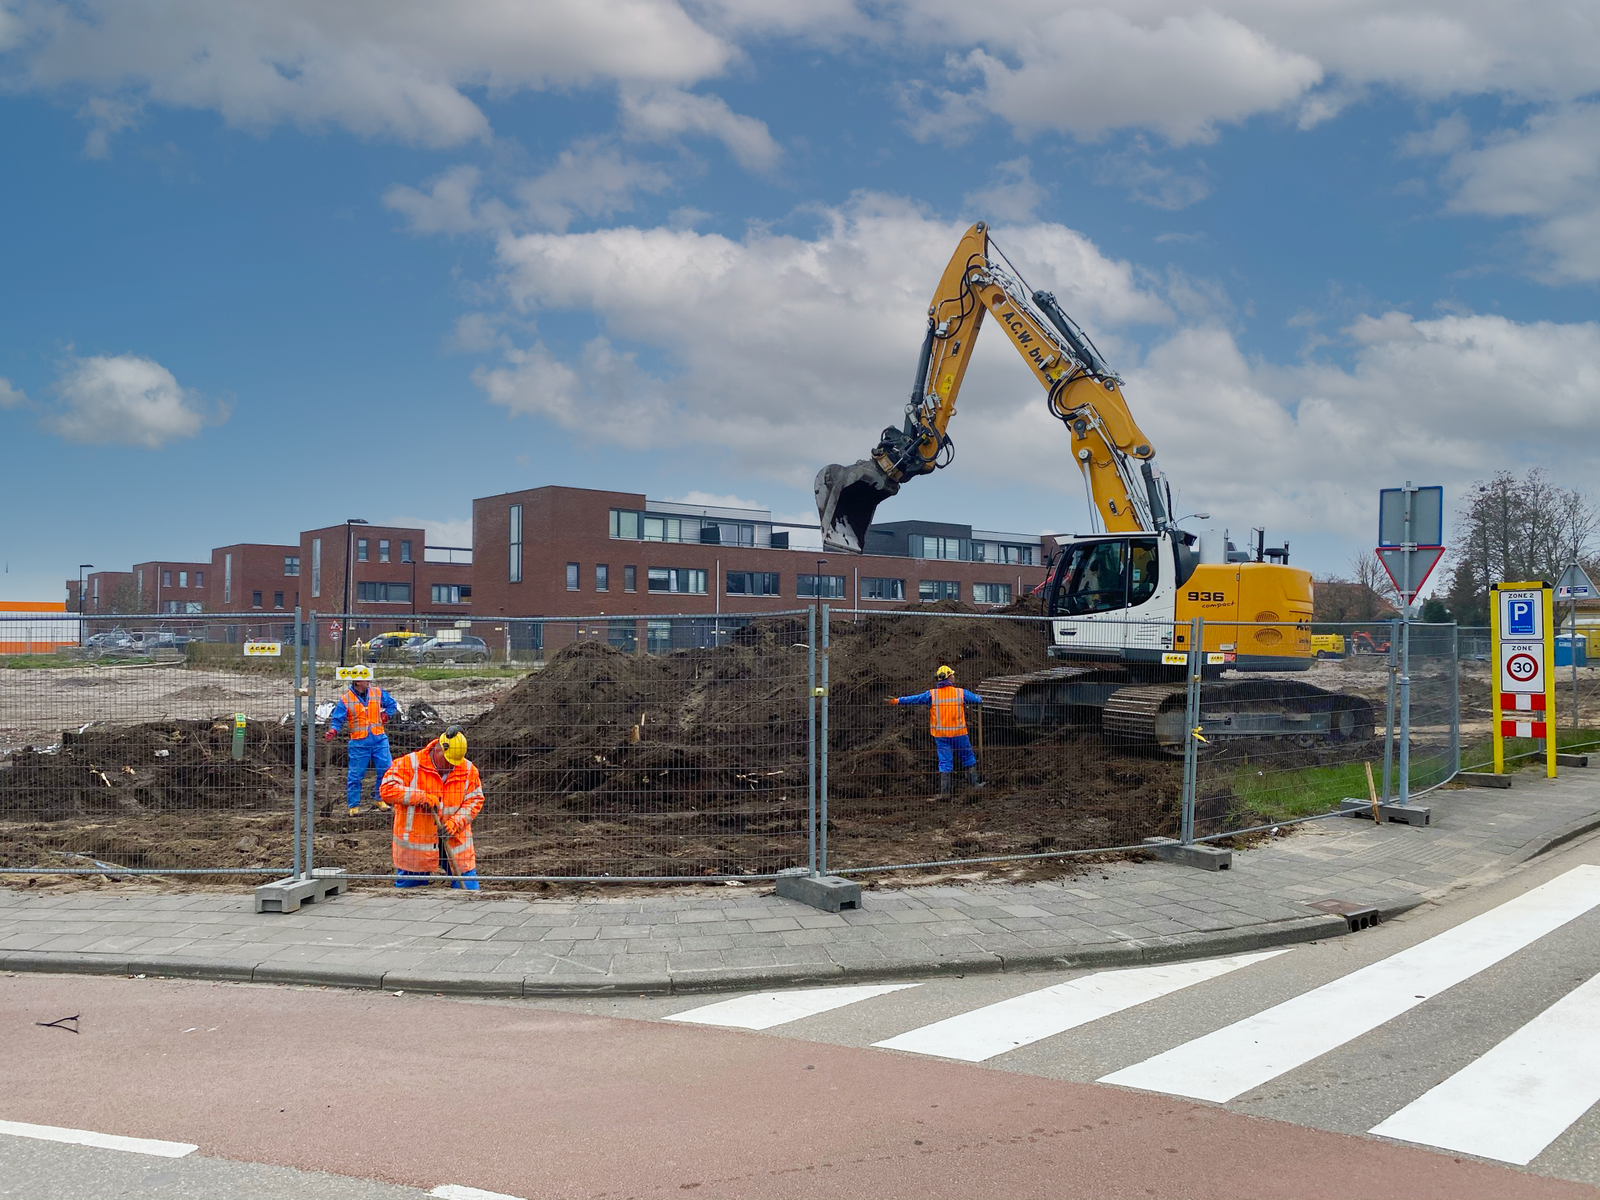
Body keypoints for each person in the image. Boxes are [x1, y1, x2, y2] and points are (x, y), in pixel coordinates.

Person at [379, 725, 484, 890]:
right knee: (409, 894)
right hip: (418, 844)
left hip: (453, 840)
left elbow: (474, 800)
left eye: (455, 762)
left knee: (468, 891)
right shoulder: (410, 764)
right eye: (449, 761)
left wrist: (454, 825)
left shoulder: (468, 770)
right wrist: (420, 797)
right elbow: (387, 789)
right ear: (438, 749)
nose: (452, 766)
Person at [887, 664, 984, 796]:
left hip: (941, 736)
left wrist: (896, 701)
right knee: (968, 757)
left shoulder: (932, 695)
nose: (954, 677)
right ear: (949, 678)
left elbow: (914, 699)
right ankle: (975, 785)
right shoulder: (960, 693)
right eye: (952, 675)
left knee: (945, 762)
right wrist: (980, 698)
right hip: (959, 734)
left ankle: (945, 793)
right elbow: (977, 700)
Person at [324, 676, 401, 814]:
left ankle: (380, 798)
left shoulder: (377, 693)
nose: (369, 681)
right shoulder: (346, 699)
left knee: (386, 768)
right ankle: (353, 806)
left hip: (379, 739)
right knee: (356, 775)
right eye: (366, 679)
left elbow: (392, 704)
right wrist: (333, 730)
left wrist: (386, 715)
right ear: (357, 682)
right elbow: (337, 719)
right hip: (359, 742)